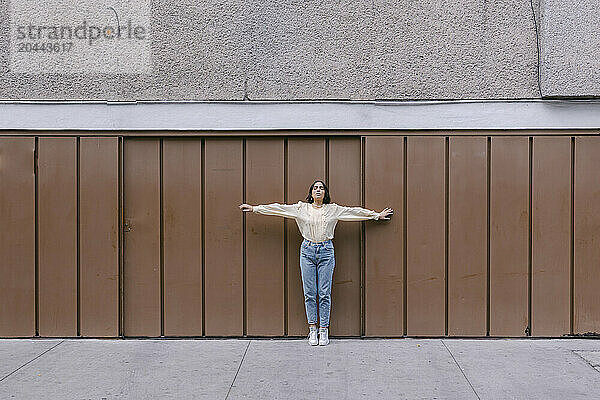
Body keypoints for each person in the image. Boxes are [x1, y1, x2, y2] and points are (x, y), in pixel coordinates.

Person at [239, 179, 393, 346]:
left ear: (325, 193)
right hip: (307, 252)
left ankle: (323, 330)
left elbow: (353, 212)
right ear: (311, 193)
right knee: (310, 293)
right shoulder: (301, 209)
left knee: (324, 292)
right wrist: (256, 209)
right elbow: (279, 208)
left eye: (321, 188)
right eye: (315, 188)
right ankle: (312, 329)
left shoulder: (333, 209)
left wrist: (376, 215)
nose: (318, 190)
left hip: (326, 251)